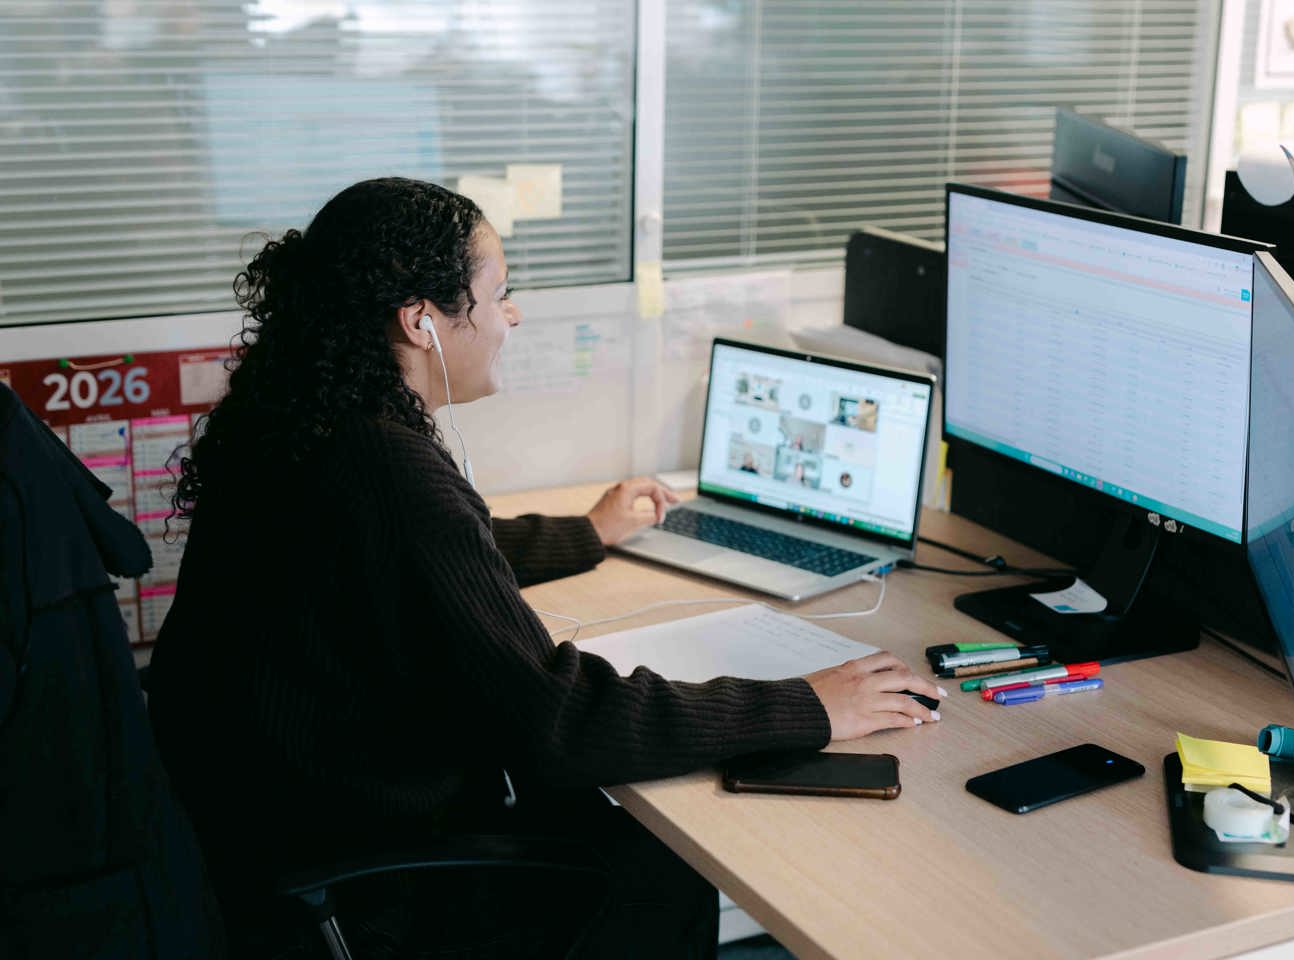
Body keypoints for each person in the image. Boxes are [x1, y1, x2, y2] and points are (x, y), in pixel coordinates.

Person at [146, 178, 942, 959]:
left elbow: (428, 558)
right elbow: (563, 722)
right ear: (422, 321)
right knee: (664, 870)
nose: (514, 315)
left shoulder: (308, 423)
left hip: (272, 822)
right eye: (499, 294)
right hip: (373, 880)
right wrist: (809, 705)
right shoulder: (392, 470)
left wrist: (587, 532)